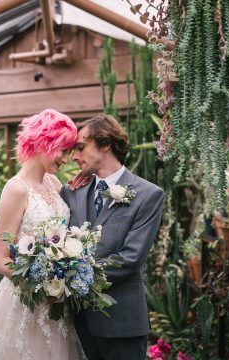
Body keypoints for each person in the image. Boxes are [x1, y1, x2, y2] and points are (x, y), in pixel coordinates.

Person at [0, 109, 84, 360]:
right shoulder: (15, 189)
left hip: (56, 308)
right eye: (63, 150)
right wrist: (42, 287)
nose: (66, 159)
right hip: (25, 304)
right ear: (44, 142)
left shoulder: (55, 184)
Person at [61, 114, 165, 360]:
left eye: (80, 147)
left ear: (105, 144)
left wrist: (70, 278)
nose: (74, 156)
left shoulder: (148, 195)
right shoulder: (71, 191)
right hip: (79, 324)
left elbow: (130, 259)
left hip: (122, 325)